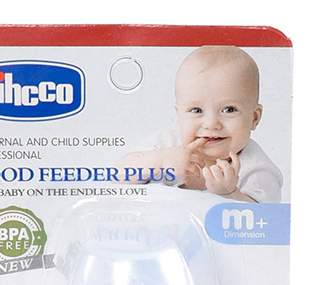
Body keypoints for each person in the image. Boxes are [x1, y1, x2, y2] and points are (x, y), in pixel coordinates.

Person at [119, 46, 282, 202]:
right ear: (179, 114)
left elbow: (266, 217)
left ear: (254, 117)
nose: (211, 124)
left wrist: (230, 193)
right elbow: (117, 175)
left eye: (229, 110)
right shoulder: (165, 143)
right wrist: (160, 161)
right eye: (196, 110)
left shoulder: (255, 170)